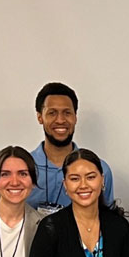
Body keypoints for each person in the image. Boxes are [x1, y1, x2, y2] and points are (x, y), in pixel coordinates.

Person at [26, 82, 115, 214]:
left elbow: (107, 221)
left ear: (75, 117)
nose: (61, 120)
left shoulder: (98, 170)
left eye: (67, 113)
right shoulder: (23, 169)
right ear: (40, 117)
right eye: (52, 113)